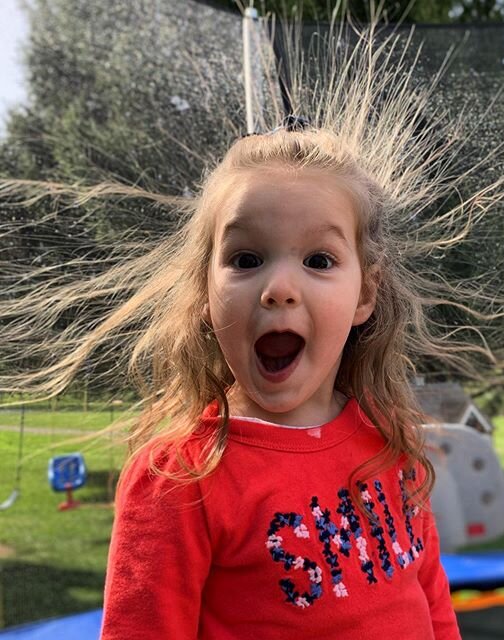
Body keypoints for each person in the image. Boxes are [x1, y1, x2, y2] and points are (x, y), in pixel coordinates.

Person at [99, 115, 462, 639]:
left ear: (365, 293)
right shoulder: (181, 480)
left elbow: (432, 600)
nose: (280, 288)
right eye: (246, 258)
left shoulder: (388, 441)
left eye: (319, 259)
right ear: (204, 292)